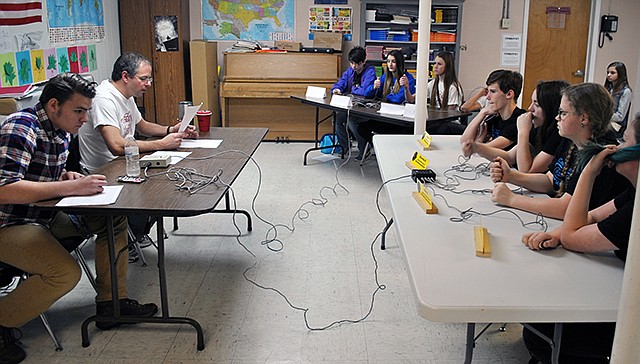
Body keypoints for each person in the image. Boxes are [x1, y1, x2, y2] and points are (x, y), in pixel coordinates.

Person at [0, 73, 158, 364]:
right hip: (9, 223)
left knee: (112, 220)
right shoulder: (21, 128)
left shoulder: (59, 128)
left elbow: (38, 173)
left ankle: (112, 304)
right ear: (53, 105)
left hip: (42, 213)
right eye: (79, 110)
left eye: (87, 110)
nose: (85, 118)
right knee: (64, 274)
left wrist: (65, 176)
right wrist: (69, 186)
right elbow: (5, 189)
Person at [520, 113, 640, 364]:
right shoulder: (633, 193)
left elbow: (573, 233)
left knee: (539, 333)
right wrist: (555, 235)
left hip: (631, 322)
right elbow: (593, 216)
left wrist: (589, 171)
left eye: (625, 142)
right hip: (622, 292)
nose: (617, 147)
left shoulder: (635, 214)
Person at [78, 52, 198, 250]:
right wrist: (161, 144)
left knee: (171, 179)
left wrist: (170, 130)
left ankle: (136, 232)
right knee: (154, 191)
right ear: (125, 76)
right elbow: (116, 146)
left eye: (149, 78)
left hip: (126, 163)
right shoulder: (104, 99)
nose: (148, 83)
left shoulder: (126, 96)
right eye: (144, 79)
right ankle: (130, 236)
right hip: (105, 170)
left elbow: (142, 126)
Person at [490, 83, 631, 219]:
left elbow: (566, 208)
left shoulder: (601, 154)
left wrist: (511, 199)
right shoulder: (571, 139)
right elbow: (550, 180)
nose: (557, 118)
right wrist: (511, 176)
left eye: (563, 113)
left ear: (584, 118)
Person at [467, 80, 569, 173]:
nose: (530, 108)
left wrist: (523, 132)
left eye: (536, 105)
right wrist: (475, 147)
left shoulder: (557, 134)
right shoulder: (540, 128)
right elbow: (509, 157)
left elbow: (527, 171)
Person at [355, 50, 416, 160]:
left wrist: (386, 96)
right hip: (385, 116)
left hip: (399, 121)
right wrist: (374, 87)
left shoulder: (407, 78)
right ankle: (380, 148)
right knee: (361, 128)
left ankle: (385, 149)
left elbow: (398, 99)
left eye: (393, 62)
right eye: (388, 61)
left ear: (399, 63)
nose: (390, 64)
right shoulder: (385, 77)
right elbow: (367, 94)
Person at [460, 69, 526, 154]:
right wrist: (482, 113)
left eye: (493, 91)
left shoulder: (520, 120)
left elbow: (471, 148)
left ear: (509, 94)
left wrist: (478, 142)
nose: (487, 97)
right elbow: (464, 140)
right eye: (488, 91)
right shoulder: (496, 117)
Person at [330, 46, 377, 153]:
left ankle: (364, 148)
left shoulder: (370, 72)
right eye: (352, 63)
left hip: (365, 108)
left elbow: (365, 91)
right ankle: (344, 146)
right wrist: (336, 89)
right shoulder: (350, 71)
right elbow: (341, 82)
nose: (354, 66)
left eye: (357, 63)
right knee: (338, 119)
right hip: (351, 106)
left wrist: (352, 91)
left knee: (352, 121)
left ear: (363, 62)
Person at [422, 51, 466, 135]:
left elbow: (448, 114)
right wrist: (406, 88)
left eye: (439, 64)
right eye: (435, 63)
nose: (435, 66)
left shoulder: (453, 87)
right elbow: (412, 98)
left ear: (448, 66)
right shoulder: (432, 83)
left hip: (449, 124)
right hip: (437, 122)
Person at [604, 61, 632, 138]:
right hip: (605, 123)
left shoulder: (626, 91)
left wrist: (603, 116)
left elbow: (620, 116)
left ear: (620, 74)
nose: (608, 75)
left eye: (612, 73)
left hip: (616, 127)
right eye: (608, 72)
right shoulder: (609, 89)